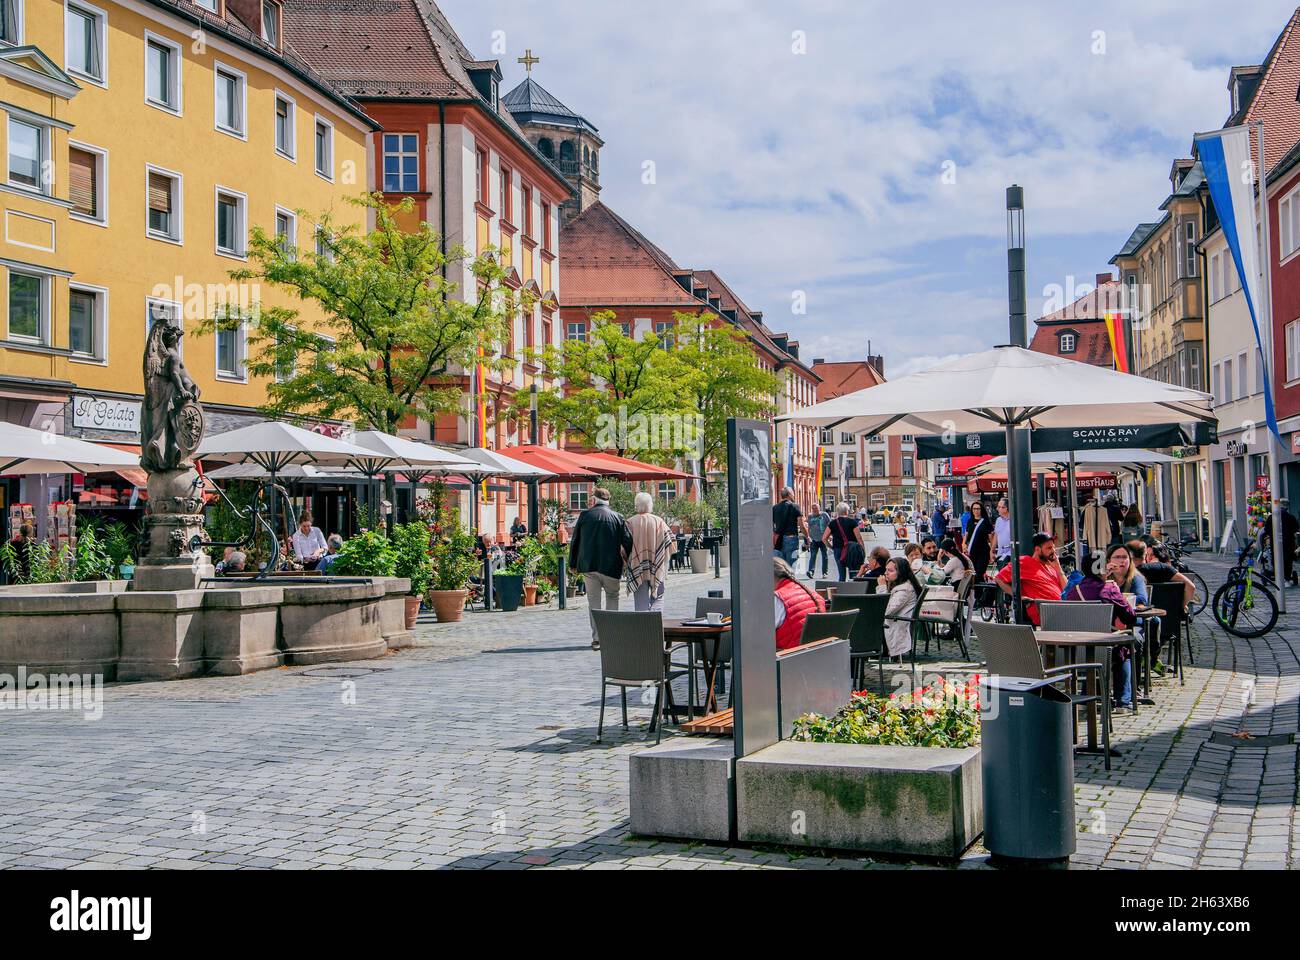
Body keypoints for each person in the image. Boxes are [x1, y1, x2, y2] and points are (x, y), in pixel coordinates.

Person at [569, 487, 633, 649]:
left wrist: (572, 564)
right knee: (612, 598)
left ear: (594, 499)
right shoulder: (618, 517)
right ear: (608, 500)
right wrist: (627, 559)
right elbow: (628, 541)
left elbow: (575, 541)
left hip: (589, 566)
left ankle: (597, 639)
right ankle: (610, 636)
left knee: (594, 602)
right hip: (611, 566)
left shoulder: (585, 516)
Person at [995, 533, 1067, 626]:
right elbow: (999, 578)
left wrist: (1059, 569)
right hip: (1045, 613)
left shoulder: (1052, 567)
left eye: (1053, 547)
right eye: (1049, 548)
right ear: (1037, 549)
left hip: (1062, 611)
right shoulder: (1024, 562)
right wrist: (1017, 596)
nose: (1053, 551)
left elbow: (1067, 591)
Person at [624, 492, 673, 612]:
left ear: (636, 505)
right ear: (650, 505)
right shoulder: (659, 522)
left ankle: (643, 628)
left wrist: (626, 562)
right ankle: (655, 626)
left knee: (640, 603)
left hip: (637, 566)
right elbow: (671, 542)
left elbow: (623, 548)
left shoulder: (629, 523)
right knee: (658, 597)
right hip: (656, 565)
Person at [773, 556, 825, 651]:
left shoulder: (777, 599)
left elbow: (758, 633)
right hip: (813, 655)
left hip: (787, 657)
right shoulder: (814, 594)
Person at [882, 556, 921, 659]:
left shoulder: (903, 591)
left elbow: (886, 611)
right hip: (894, 622)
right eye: (886, 570)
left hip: (894, 624)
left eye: (890, 570)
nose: (886, 573)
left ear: (900, 573)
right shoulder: (903, 586)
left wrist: (881, 588)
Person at [1261, 499, 1300, 587]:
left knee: (1276, 560)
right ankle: (1287, 578)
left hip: (1275, 543)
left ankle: (1279, 577)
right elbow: (1295, 529)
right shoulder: (1291, 517)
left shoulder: (1271, 517)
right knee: (1288, 561)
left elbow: (1266, 530)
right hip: (1288, 543)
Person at [772, 487, 809, 567]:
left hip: (778, 540)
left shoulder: (775, 508)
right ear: (789, 495)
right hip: (791, 539)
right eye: (793, 493)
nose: (794, 495)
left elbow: (771, 525)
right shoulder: (795, 506)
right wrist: (807, 537)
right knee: (791, 566)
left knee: (781, 567)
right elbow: (801, 525)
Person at [827, 502, 864, 582]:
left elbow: (824, 538)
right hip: (852, 550)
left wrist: (832, 547)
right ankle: (853, 590)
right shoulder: (852, 522)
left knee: (842, 575)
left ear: (837, 511)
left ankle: (841, 591)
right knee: (854, 574)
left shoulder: (833, 523)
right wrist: (862, 550)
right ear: (846, 511)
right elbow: (859, 538)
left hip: (838, 550)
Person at [965, 500, 994, 580]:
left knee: (979, 573)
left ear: (981, 510)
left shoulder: (986, 522)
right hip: (972, 551)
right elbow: (966, 534)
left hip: (983, 551)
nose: (976, 511)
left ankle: (979, 591)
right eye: (974, 509)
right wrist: (964, 544)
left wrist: (992, 552)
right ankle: (976, 590)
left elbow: (991, 538)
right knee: (972, 573)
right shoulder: (970, 521)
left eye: (978, 509)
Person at [805, 503, 832, 579]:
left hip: (824, 539)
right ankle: (811, 571)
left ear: (819, 508)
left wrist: (829, 535)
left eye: (816, 508)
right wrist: (807, 539)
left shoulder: (824, 515)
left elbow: (830, 525)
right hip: (814, 539)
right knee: (813, 556)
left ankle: (824, 573)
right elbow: (808, 527)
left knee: (824, 556)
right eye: (813, 508)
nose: (814, 510)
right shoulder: (810, 516)